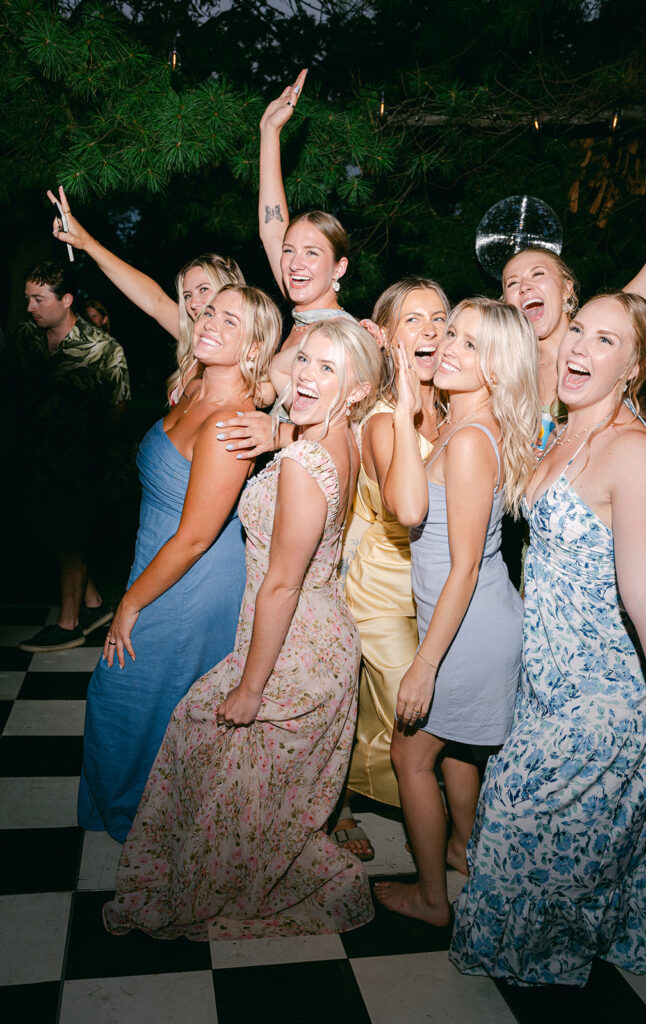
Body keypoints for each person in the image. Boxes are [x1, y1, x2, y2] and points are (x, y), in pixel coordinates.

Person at [103, 318, 383, 939]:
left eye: (326, 369)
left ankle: (228, 880)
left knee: (207, 738)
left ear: (359, 388)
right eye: (304, 360)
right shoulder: (344, 434)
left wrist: (252, 688)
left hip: (295, 644)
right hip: (321, 630)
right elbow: (281, 377)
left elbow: (281, 584)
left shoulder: (306, 463)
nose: (305, 376)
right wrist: (288, 413)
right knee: (254, 796)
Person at [451, 292, 646, 985]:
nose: (581, 347)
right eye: (579, 331)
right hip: (545, 686)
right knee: (555, 842)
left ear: (634, 367)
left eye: (607, 342)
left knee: (522, 831)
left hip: (604, 700)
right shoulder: (560, 430)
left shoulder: (632, 452)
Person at [79, 285, 282, 843]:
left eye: (230, 320)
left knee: (131, 696)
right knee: (135, 701)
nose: (210, 321)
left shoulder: (231, 424)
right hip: (155, 562)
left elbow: (194, 538)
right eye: (209, 311)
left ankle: (157, 829)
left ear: (255, 343)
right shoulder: (192, 387)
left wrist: (129, 602)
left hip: (190, 585)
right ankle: (141, 818)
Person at [374, 299, 539, 926]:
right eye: (451, 335)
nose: (447, 348)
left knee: (409, 757)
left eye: (469, 344)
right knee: (459, 751)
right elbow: (407, 505)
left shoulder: (469, 439)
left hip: (468, 627)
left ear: (497, 366)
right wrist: (403, 397)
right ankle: (464, 853)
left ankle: (431, 897)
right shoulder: (456, 423)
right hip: (469, 618)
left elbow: (465, 567)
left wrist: (424, 666)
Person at [334, 277, 450, 860]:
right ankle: (341, 803)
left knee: (410, 705)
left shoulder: (455, 404)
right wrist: (407, 413)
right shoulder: (382, 419)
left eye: (438, 318)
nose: (429, 330)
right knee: (396, 706)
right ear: (385, 337)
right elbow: (408, 511)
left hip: (436, 589)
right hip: (379, 586)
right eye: (413, 320)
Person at [11, 261, 131, 652]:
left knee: (69, 532)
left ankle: (68, 624)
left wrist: (93, 450)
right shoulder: (24, 338)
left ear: (65, 300)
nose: (30, 307)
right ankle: (94, 604)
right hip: (34, 457)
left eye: (38, 299)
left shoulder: (102, 348)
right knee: (50, 533)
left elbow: (118, 405)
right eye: (28, 298)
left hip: (84, 464)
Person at [501, 211, 646, 450]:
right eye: (513, 283)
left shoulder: (608, 331)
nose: (525, 286)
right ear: (506, 305)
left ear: (567, 288)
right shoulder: (505, 371)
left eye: (538, 274)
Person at [49, 186, 244, 404]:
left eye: (203, 289)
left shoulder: (246, 352)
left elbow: (268, 386)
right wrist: (86, 243)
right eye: (186, 295)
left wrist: (273, 424)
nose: (193, 303)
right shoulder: (193, 338)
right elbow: (155, 301)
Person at [259, 71, 355, 353]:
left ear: (339, 268)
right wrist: (269, 132)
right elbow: (272, 229)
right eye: (288, 251)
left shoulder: (342, 336)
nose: (294, 263)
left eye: (312, 252)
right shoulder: (305, 317)